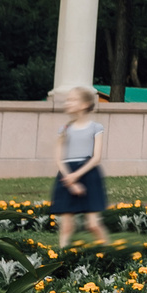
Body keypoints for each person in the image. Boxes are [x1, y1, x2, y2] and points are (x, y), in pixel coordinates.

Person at [50, 86, 110, 248]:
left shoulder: (96, 128)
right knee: (66, 226)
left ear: (84, 105)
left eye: (72, 99)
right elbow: (59, 159)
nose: (68, 102)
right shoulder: (64, 130)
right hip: (66, 175)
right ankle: (62, 255)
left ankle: (109, 252)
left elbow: (96, 158)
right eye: (68, 100)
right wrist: (70, 180)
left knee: (93, 225)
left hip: (89, 175)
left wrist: (76, 176)